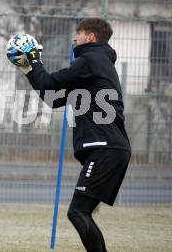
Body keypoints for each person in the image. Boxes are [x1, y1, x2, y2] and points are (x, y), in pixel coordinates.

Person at [8, 18, 131, 252]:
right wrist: (28, 68)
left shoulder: (90, 60)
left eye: (79, 33)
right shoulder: (95, 64)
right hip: (109, 148)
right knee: (80, 212)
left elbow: (51, 81)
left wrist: (34, 58)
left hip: (106, 148)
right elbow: (52, 96)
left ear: (91, 37)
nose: (75, 38)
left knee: (77, 212)